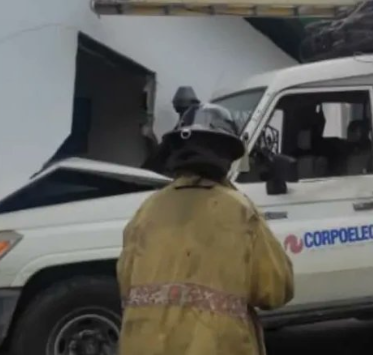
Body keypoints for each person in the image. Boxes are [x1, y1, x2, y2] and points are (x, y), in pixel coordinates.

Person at [117, 103, 294, 355]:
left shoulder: (146, 211)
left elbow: (126, 284)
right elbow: (275, 290)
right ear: (226, 154)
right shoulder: (240, 211)